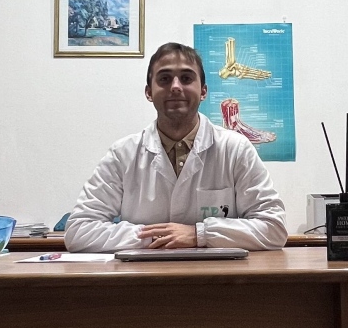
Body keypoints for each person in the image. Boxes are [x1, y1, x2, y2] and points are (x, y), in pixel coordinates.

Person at [64, 42, 288, 252]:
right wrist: (156, 237)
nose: (175, 87)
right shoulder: (123, 154)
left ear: (203, 91)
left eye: (186, 78)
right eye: (164, 79)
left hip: (218, 277)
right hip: (142, 277)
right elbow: (79, 231)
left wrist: (199, 234)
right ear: (148, 92)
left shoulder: (235, 149)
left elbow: (274, 228)